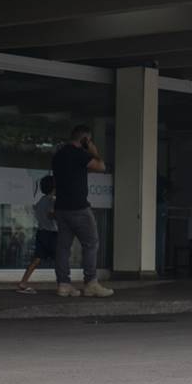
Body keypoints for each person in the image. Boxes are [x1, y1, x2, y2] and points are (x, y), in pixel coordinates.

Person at [52, 125, 113, 298]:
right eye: (90, 140)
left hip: (61, 207)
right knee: (91, 243)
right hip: (79, 207)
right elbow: (101, 166)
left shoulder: (59, 155)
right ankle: (91, 282)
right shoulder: (79, 154)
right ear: (85, 139)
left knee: (63, 247)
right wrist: (94, 150)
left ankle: (63, 284)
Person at [16, 176, 56, 294]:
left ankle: (23, 282)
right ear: (54, 187)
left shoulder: (40, 201)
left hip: (41, 232)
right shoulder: (52, 200)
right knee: (61, 260)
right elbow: (51, 215)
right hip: (53, 234)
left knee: (36, 259)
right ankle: (64, 284)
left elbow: (38, 213)